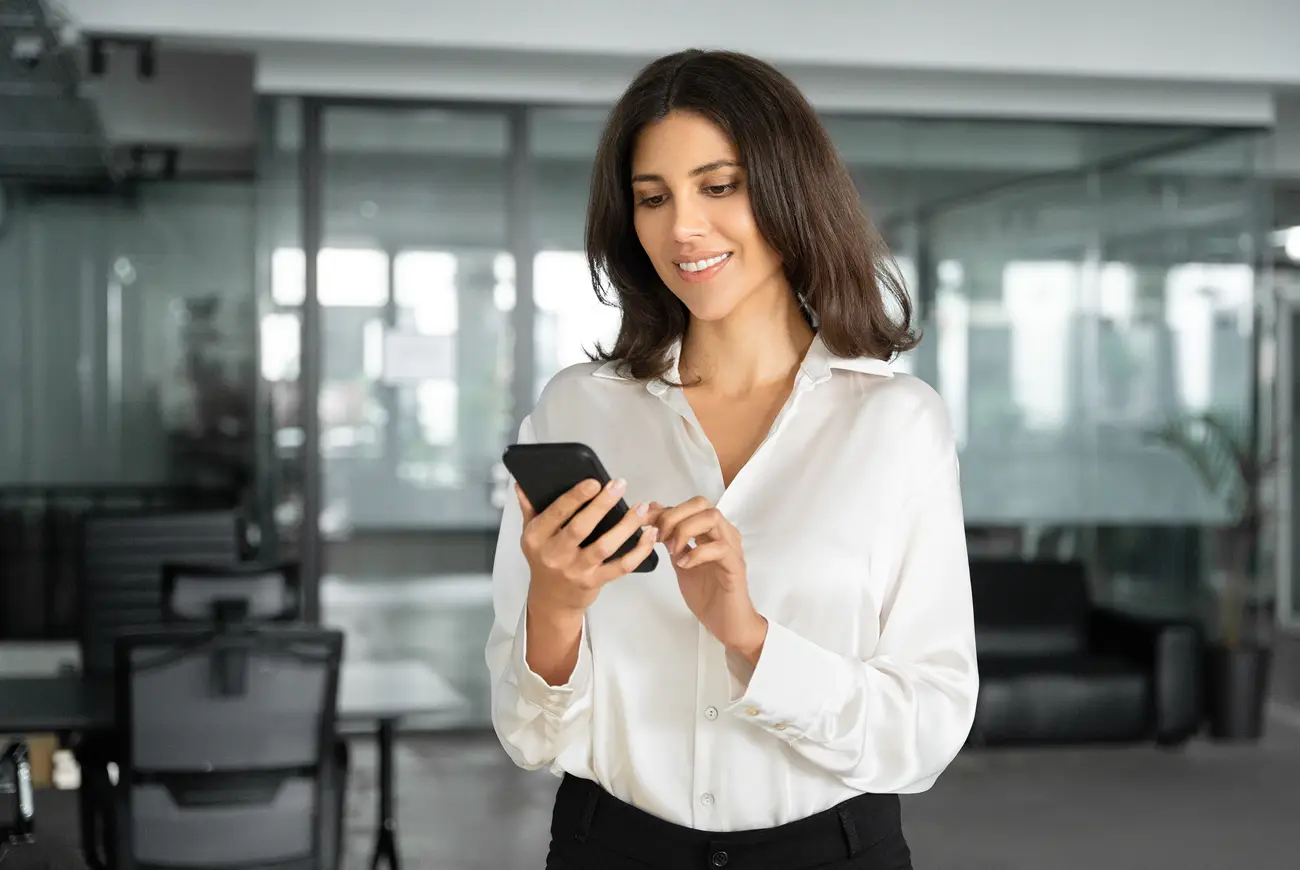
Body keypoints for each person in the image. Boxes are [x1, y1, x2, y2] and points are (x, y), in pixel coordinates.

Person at [486, 48, 978, 870]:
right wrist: (557, 608)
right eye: (653, 197)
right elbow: (529, 736)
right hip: (610, 849)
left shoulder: (897, 425)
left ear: (791, 189)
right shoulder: (577, 408)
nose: (683, 226)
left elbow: (925, 730)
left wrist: (750, 638)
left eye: (720, 186)